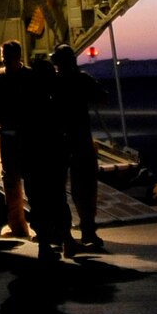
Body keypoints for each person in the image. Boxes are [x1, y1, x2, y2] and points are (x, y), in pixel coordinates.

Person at [0, 39, 62, 258]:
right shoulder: (3, 78)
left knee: (31, 182)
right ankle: (18, 225)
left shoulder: (19, 77)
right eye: (3, 57)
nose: (5, 60)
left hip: (26, 136)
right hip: (9, 136)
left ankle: (40, 230)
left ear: (18, 56)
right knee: (11, 180)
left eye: (8, 56)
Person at [49, 43, 106, 252]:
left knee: (57, 190)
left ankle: (64, 236)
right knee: (86, 188)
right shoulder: (82, 79)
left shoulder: (51, 82)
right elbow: (102, 98)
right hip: (80, 138)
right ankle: (88, 231)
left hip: (58, 141)